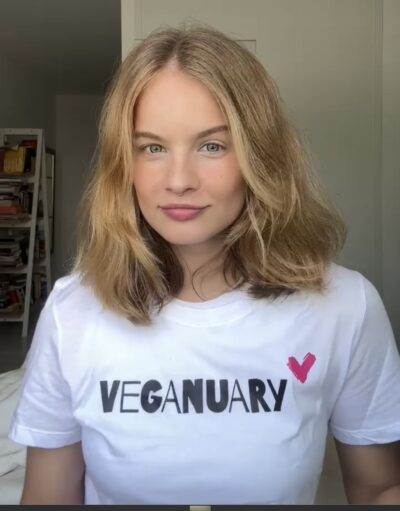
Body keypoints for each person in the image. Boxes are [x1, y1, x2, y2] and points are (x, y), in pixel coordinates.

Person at [9, 23, 400, 505]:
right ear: (124, 164)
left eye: (212, 145)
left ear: (260, 156)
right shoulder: (72, 311)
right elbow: (47, 497)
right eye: (152, 147)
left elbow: (379, 488)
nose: (179, 181)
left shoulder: (345, 306)